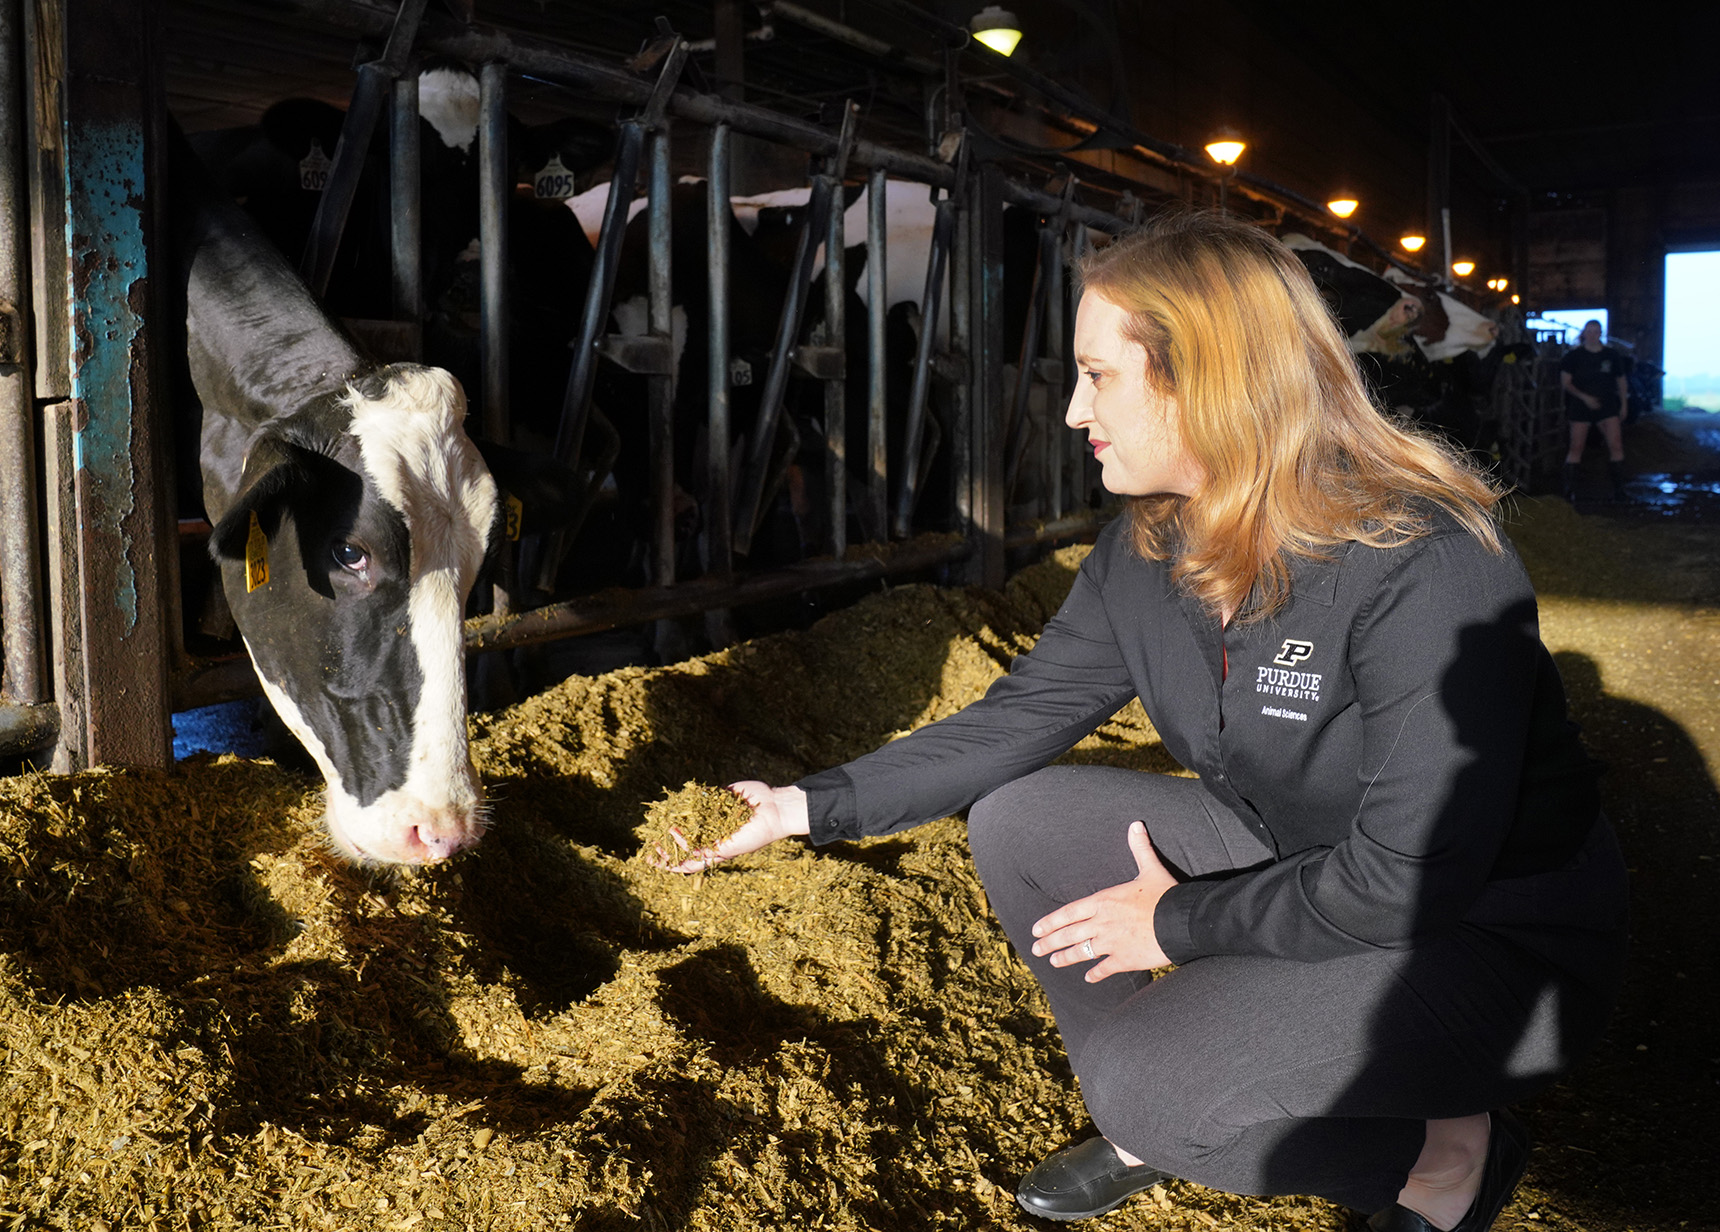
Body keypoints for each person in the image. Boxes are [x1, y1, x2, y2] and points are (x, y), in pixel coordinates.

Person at [658, 213, 1627, 1231]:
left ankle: (1439, 1156)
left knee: (1149, 1082)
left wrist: (1172, 919)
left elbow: (1401, 879)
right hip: (1295, 854)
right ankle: (1164, 1107)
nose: (1073, 407)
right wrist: (802, 805)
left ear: (1203, 376)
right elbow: (1017, 716)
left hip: (1484, 934)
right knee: (1021, 819)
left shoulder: (1418, 559)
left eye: (1097, 374)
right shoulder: (1149, 546)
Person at [1557, 320, 1629, 500]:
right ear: (1584, 333)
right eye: (1589, 331)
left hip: (1607, 406)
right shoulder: (1573, 356)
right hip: (1581, 406)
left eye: (1596, 331)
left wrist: (1624, 404)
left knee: (1616, 444)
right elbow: (1566, 383)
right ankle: (1569, 492)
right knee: (1576, 447)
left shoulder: (1611, 355)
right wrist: (1585, 398)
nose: (1592, 335)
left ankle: (1619, 491)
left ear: (1600, 333)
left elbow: (1621, 380)